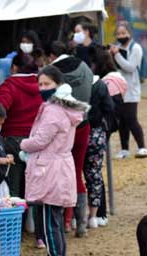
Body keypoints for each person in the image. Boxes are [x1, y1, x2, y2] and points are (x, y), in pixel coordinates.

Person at [24, 66, 90, 256]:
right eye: (40, 84)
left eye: (47, 84)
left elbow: (40, 140)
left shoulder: (53, 111)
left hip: (49, 169)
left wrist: (23, 144)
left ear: (57, 84)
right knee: (55, 221)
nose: (42, 88)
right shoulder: (65, 108)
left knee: (48, 221)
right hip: (58, 166)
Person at [0, 53, 43, 246]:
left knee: (14, 189)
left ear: (14, 68)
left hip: (12, 141)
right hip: (37, 140)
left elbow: (0, 109)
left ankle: (14, 233)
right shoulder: (41, 84)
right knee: (36, 188)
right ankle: (40, 236)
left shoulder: (9, 85)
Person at [47, 40, 94, 237]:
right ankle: (81, 223)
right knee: (76, 172)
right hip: (83, 124)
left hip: (62, 130)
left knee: (60, 173)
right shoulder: (84, 66)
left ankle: (66, 222)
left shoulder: (51, 71)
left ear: (51, 56)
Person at [110, 22, 147, 159]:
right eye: (118, 34)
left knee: (131, 118)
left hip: (131, 89)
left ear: (129, 33)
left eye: (124, 33)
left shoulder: (136, 48)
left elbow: (130, 67)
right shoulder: (118, 48)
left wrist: (116, 55)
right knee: (122, 120)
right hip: (118, 88)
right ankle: (124, 149)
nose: (121, 36)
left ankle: (142, 147)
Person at [85, 49, 116, 229]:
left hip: (77, 133)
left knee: (74, 175)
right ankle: (94, 216)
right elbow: (110, 108)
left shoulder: (71, 84)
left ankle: (74, 217)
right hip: (96, 133)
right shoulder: (101, 85)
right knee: (95, 174)